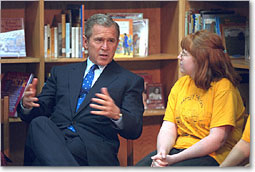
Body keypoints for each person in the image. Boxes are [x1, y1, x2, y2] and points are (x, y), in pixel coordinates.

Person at [17, 14, 144, 166]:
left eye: (111, 41)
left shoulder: (129, 80)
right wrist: (27, 105)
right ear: (85, 42)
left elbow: (135, 130)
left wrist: (118, 115)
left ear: (117, 43)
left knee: (41, 162)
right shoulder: (61, 73)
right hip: (56, 141)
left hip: (92, 151)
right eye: (99, 40)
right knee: (39, 123)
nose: (105, 47)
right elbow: (39, 111)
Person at [136, 30, 245, 167]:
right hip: (179, 150)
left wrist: (174, 160)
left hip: (212, 156)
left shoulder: (224, 88)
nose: (178, 57)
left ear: (201, 60)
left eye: (184, 54)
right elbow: (169, 127)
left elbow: (217, 140)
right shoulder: (181, 83)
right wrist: (162, 154)